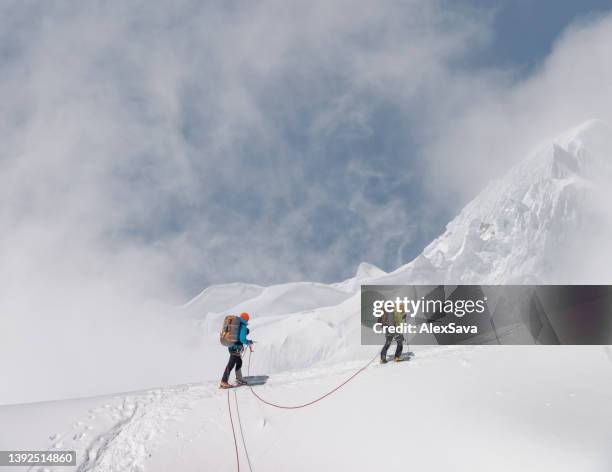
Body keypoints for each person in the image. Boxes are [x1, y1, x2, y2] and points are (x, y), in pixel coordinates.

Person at [220, 312, 254, 388]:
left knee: (239, 361)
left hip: (231, 346)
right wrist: (248, 342)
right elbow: (242, 339)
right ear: (246, 319)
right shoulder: (243, 325)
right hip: (236, 348)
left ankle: (239, 378)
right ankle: (224, 381)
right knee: (231, 364)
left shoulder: (236, 323)